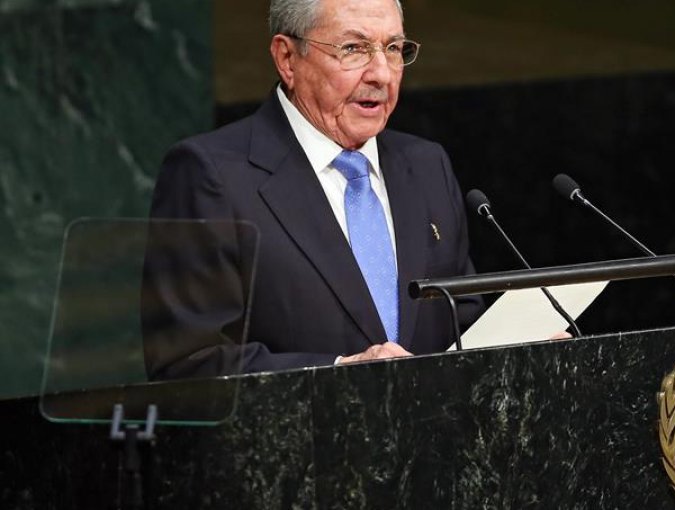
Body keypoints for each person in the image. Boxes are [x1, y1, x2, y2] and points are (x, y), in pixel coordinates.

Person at [142, 0, 483, 379]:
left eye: (393, 48)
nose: (382, 74)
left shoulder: (425, 165)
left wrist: (524, 348)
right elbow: (188, 363)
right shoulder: (211, 175)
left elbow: (462, 322)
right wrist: (339, 373)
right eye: (353, 49)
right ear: (287, 59)